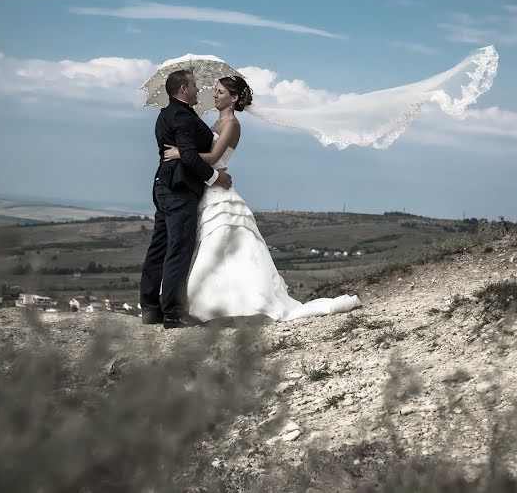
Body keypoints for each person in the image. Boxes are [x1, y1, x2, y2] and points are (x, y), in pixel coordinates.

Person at [162, 75, 361, 322]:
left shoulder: (232, 124)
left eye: (220, 92)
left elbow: (213, 157)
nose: (214, 95)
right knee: (217, 249)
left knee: (219, 246)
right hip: (208, 188)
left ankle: (218, 305)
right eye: (215, 91)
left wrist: (182, 153)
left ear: (234, 99)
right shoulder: (215, 122)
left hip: (218, 191)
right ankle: (215, 302)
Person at [139, 69, 232, 329]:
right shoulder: (182, 116)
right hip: (179, 189)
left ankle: (150, 307)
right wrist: (216, 177)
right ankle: (173, 313)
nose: (197, 90)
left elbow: (184, 152)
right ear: (182, 89)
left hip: (163, 185)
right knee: (178, 249)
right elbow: (189, 157)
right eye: (193, 85)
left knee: (159, 247)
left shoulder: (168, 113)